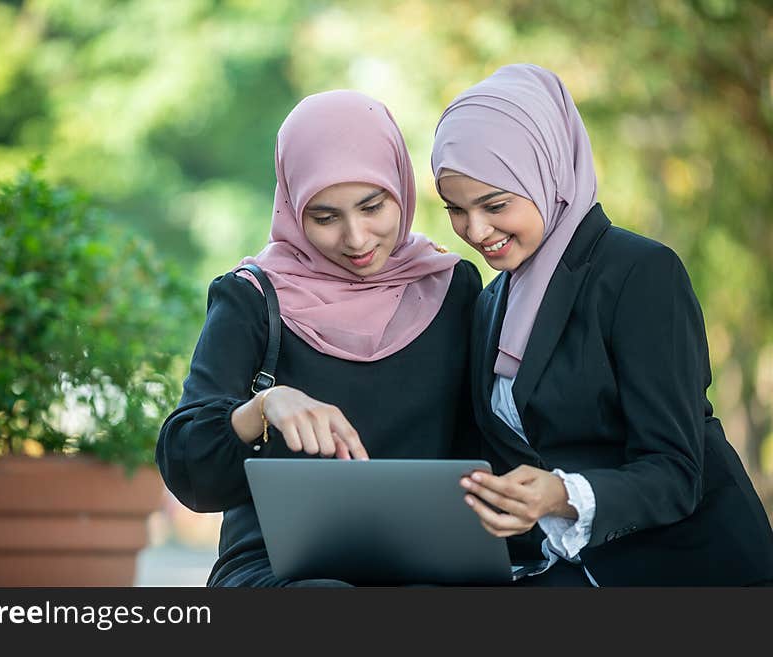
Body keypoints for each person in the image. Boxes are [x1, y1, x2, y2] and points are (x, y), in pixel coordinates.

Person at [431, 63, 773, 586]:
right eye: (455, 209)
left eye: (495, 204)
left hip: (686, 571)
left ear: (547, 174)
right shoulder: (491, 301)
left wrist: (563, 494)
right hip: (559, 573)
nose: (475, 231)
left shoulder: (639, 273)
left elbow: (676, 471)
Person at [157, 90, 482, 587]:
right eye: (325, 217)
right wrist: (262, 408)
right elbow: (188, 467)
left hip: (421, 561)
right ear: (292, 206)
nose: (356, 238)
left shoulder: (451, 286)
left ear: (400, 186)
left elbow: (482, 441)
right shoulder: (252, 297)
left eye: (373, 207)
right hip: (278, 568)